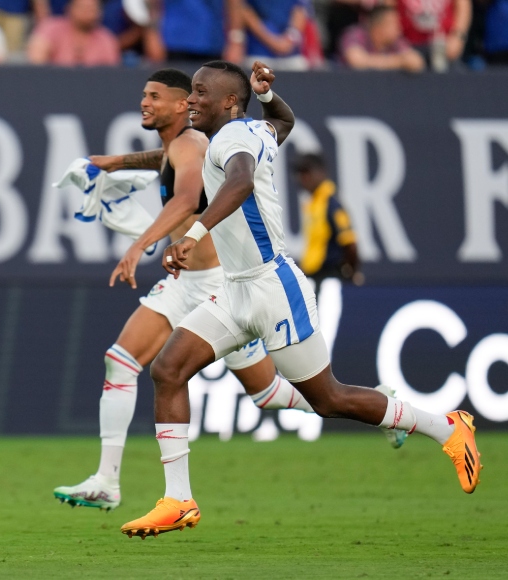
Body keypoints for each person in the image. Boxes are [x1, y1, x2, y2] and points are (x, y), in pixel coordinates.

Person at [118, 60, 482, 539]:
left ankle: (447, 428)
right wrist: (268, 95)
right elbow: (285, 122)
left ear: (229, 102)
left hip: (273, 289)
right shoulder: (255, 128)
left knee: (329, 398)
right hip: (236, 289)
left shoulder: (230, 140)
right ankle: (178, 499)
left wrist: (195, 232)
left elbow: (242, 181)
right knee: (168, 370)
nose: (191, 100)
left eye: (201, 93)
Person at [51, 68, 383, 512]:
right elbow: (165, 161)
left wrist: (138, 246)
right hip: (183, 283)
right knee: (123, 361)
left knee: (270, 395)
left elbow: (187, 199)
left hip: (217, 284)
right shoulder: (180, 146)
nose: (146, 103)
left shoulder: (195, 143)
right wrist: (113, 162)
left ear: (178, 105)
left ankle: (378, 407)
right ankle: (109, 481)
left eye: (157, 96)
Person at [294, 153, 362, 285]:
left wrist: (350, 273)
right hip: (314, 277)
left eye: (307, 172)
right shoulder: (314, 204)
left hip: (327, 279)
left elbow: (350, 243)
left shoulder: (332, 205)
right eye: (300, 173)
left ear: (321, 172)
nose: (303, 178)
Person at [144, 0, 245, 64]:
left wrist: (236, 40)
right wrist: (152, 34)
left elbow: (235, 4)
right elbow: (152, 3)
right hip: (172, 42)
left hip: (212, 42)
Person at [26, 0, 121, 66]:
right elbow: (36, 62)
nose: (87, 12)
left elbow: (112, 73)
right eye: (83, 7)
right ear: (69, 8)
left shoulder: (106, 39)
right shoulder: (51, 28)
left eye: (92, 8)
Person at [339, 4, 425, 71]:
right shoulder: (355, 34)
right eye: (394, 25)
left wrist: (401, 61)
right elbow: (356, 61)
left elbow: (416, 62)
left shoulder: (396, 41)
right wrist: (399, 62)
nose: (399, 28)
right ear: (378, 28)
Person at [397, 0, 471, 70]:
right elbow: (389, 9)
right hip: (407, 45)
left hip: (443, 45)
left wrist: (458, 37)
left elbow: (463, 6)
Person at [241, 0, 309, 70]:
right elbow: (243, 8)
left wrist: (289, 39)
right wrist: (274, 42)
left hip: (291, 55)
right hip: (258, 52)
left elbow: (300, 9)